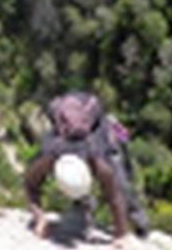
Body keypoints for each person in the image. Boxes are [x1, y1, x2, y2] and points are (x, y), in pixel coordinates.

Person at [24, 91, 149, 242]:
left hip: (97, 127)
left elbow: (115, 196)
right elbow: (30, 186)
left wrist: (121, 234)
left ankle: (140, 222)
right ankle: (82, 206)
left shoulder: (99, 160)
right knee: (96, 194)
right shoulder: (49, 156)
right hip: (68, 127)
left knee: (121, 184)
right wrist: (40, 219)